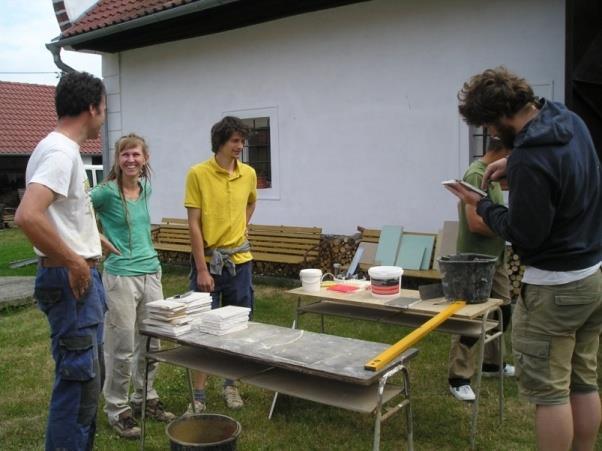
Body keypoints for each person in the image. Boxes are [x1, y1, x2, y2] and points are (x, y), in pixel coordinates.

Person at [446, 66, 602, 451]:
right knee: (584, 380)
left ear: (498, 119)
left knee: (550, 394)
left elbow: (525, 233)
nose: (493, 136)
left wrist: (481, 203)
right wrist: (513, 163)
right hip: (592, 275)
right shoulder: (568, 120)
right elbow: (562, 171)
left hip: (554, 289)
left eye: (489, 127)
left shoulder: (532, 156)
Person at [14, 71, 107, 451]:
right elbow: (28, 215)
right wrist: (75, 261)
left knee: (87, 386)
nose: (104, 115)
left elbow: (59, 213)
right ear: (91, 108)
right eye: (104, 108)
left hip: (75, 282)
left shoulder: (57, 148)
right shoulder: (60, 151)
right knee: (77, 387)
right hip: (72, 286)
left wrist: (89, 237)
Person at [90, 134, 175, 439]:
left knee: (153, 341)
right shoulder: (106, 193)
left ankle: (145, 397)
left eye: (135, 154)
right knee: (122, 345)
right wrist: (96, 237)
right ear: (117, 159)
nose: (130, 160)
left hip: (151, 272)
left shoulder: (145, 187)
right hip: (121, 277)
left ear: (145, 158)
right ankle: (117, 408)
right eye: (125, 155)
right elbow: (74, 208)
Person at [184, 116, 257, 411]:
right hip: (209, 262)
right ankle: (198, 397)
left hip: (240, 262)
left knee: (236, 326)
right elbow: (193, 224)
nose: (240, 146)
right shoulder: (197, 174)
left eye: (242, 141)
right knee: (202, 328)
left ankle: (231, 385)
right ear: (221, 142)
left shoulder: (249, 174)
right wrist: (202, 268)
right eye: (235, 141)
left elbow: (251, 202)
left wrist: (242, 224)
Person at [448, 137, 514, 402]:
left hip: (493, 257)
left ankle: (491, 364)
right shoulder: (475, 176)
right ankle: (458, 377)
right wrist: (510, 228)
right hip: (475, 260)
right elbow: (475, 223)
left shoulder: (493, 177)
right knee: (472, 319)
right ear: (502, 150)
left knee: (503, 311)